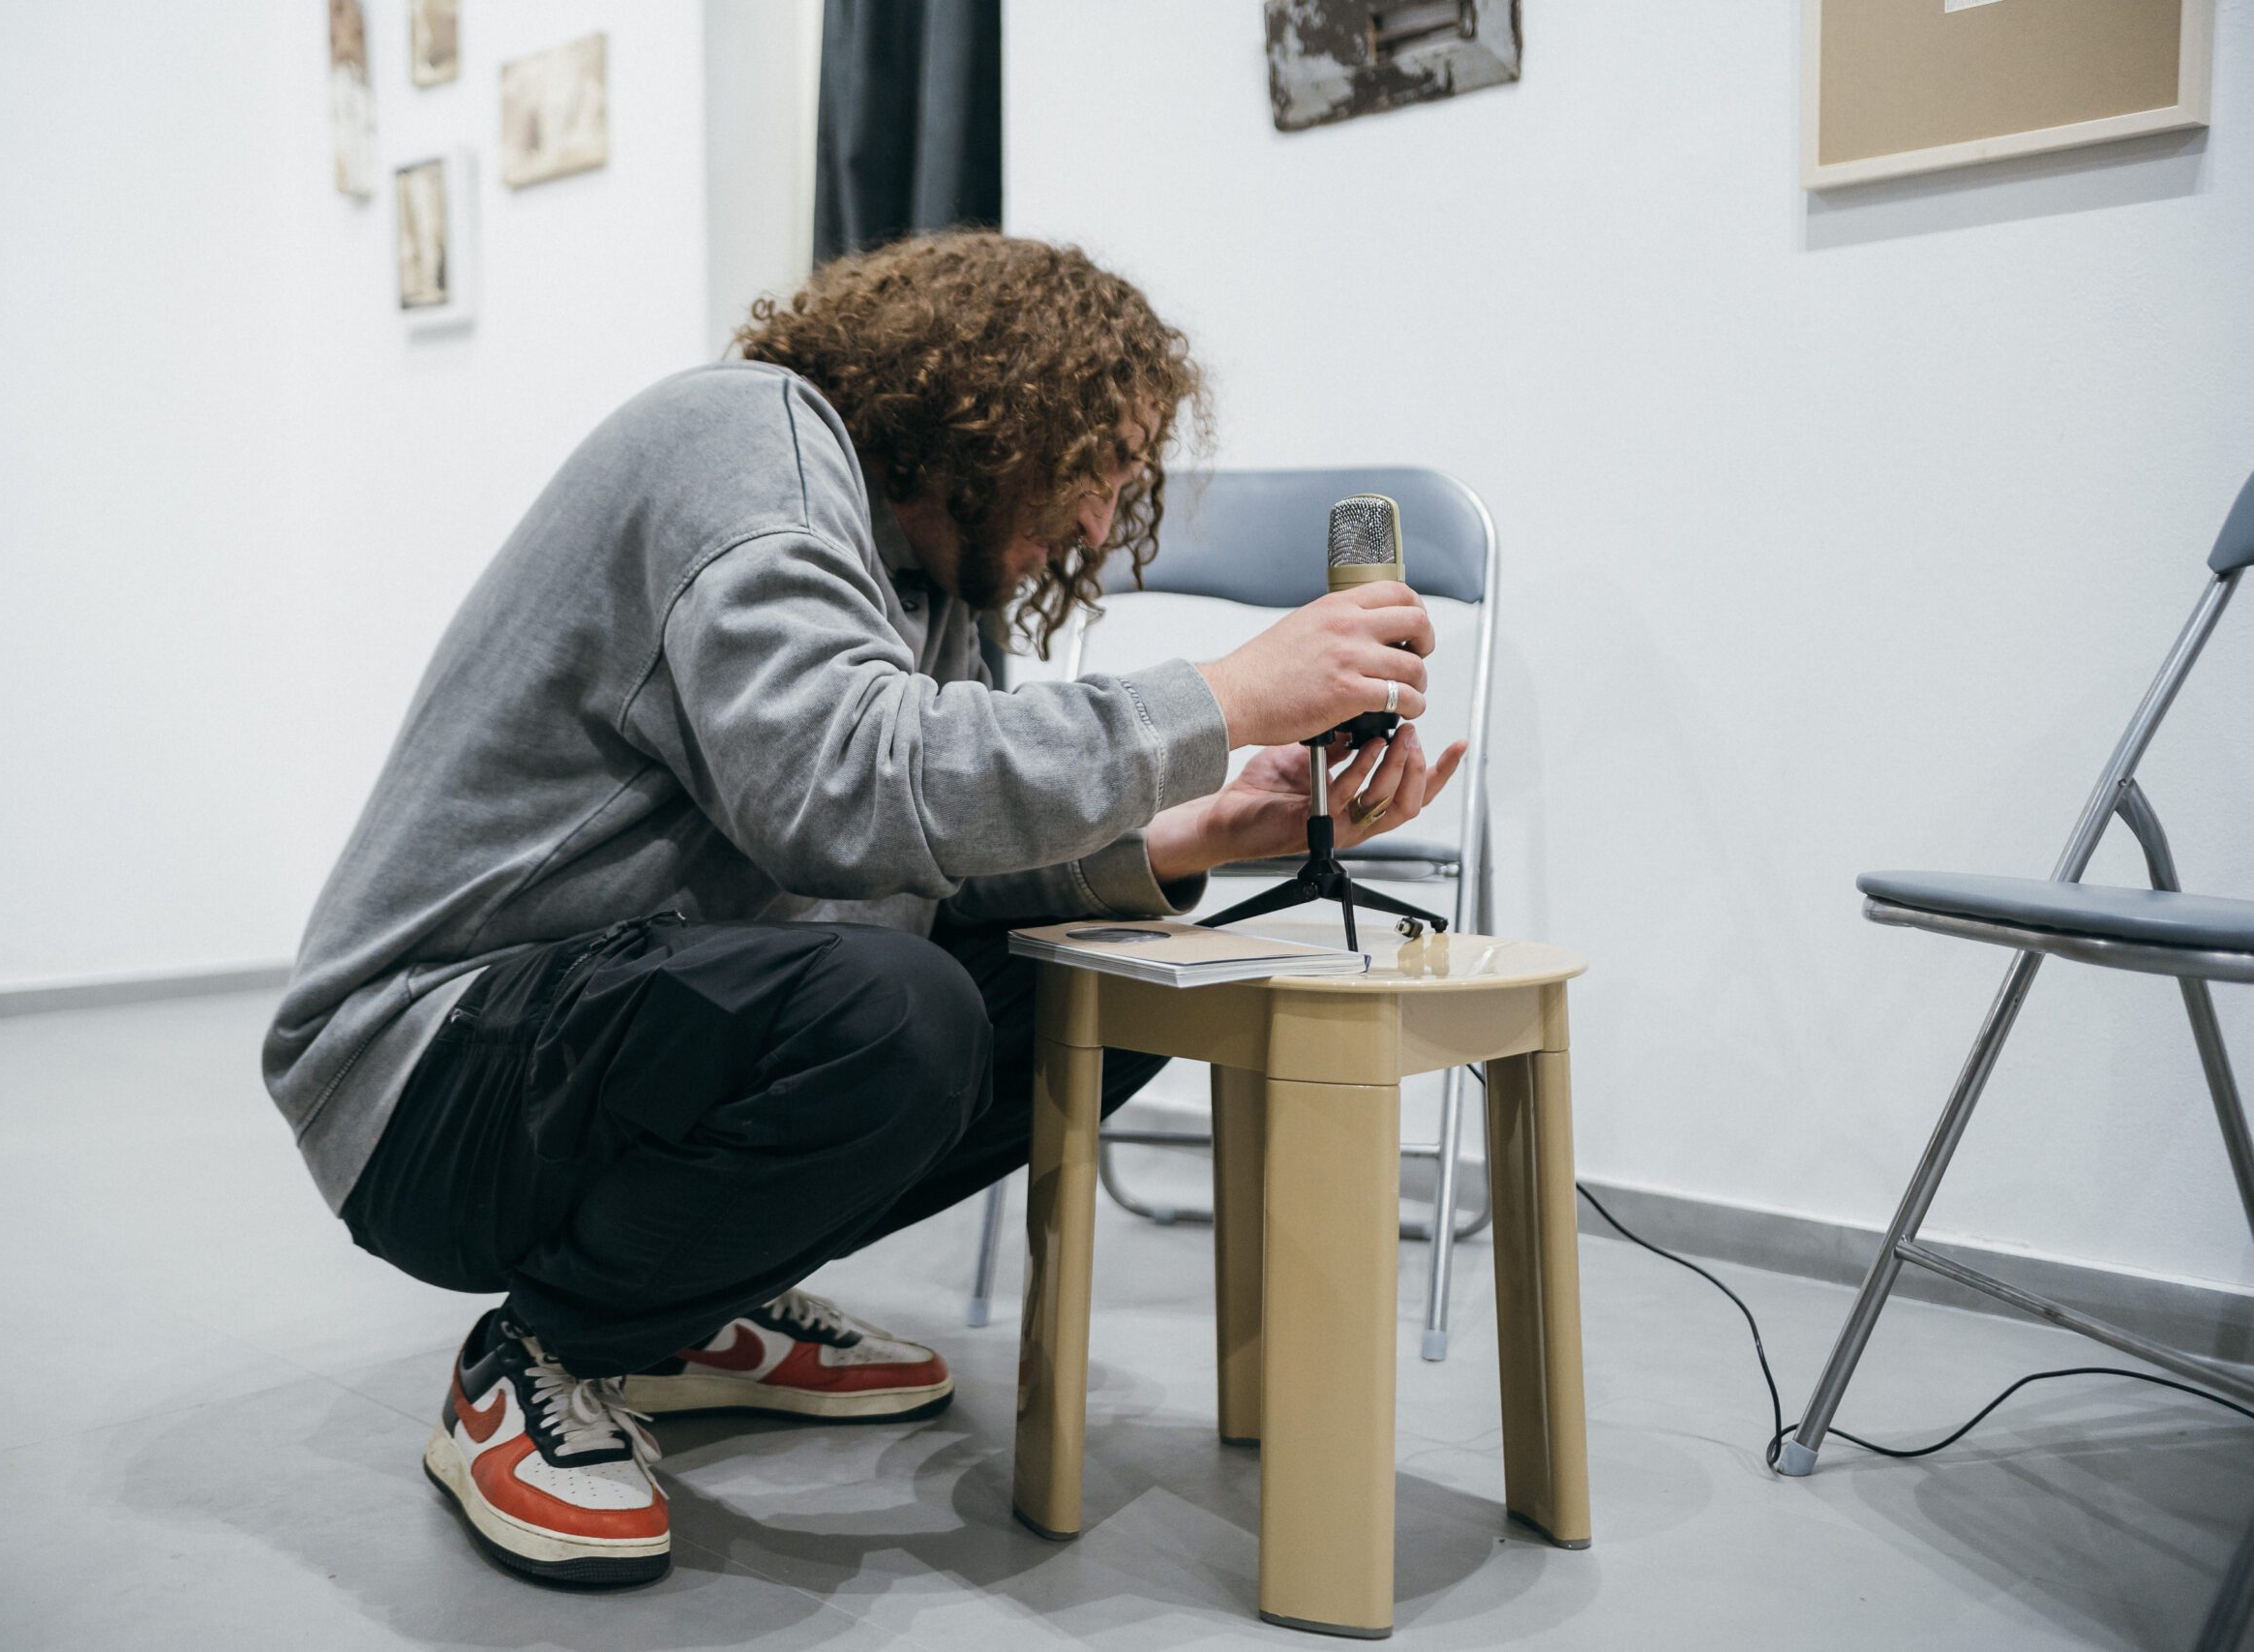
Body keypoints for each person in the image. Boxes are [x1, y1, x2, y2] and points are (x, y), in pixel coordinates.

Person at [261, 231, 1461, 1587]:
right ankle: (547, 1350)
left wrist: (1201, 830)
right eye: (1097, 468)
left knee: (1115, 986)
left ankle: (687, 1300)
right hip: (427, 1072)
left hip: (596, 1028)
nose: (1093, 526)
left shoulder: (925, 577)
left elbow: (922, 866)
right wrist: (1225, 695)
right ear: (1002, 406)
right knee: (896, 1013)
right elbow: (838, 791)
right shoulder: (744, 444)